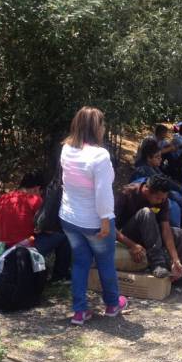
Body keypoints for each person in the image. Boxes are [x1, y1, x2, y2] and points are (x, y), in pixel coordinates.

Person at [59, 106, 127, 325]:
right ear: (95, 128)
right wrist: (105, 219)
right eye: (102, 124)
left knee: (80, 262)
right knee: (105, 262)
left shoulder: (66, 149)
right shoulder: (99, 155)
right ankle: (112, 304)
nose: (104, 128)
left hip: (69, 217)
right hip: (93, 220)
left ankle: (79, 311)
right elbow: (102, 192)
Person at [115, 175, 182, 288]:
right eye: (158, 198)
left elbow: (166, 229)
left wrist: (175, 259)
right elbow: (110, 226)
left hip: (150, 233)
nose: (161, 201)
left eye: (163, 198)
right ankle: (157, 263)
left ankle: (181, 274)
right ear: (146, 190)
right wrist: (132, 245)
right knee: (146, 212)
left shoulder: (162, 199)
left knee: (180, 234)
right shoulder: (126, 193)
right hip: (129, 234)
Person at [0, 172, 71, 282]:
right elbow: (49, 229)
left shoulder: (3, 198)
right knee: (63, 235)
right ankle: (60, 276)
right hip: (22, 249)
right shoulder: (34, 199)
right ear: (37, 189)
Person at [131, 140, 182, 242]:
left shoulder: (153, 167)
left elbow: (167, 181)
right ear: (149, 158)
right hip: (145, 201)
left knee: (181, 195)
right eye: (157, 157)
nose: (161, 159)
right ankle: (176, 237)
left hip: (155, 197)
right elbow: (162, 190)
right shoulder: (144, 170)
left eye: (160, 156)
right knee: (174, 205)